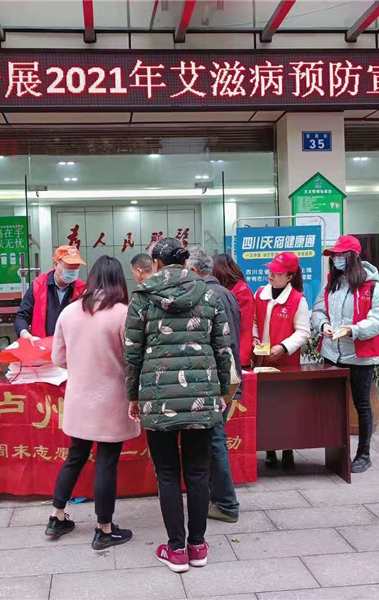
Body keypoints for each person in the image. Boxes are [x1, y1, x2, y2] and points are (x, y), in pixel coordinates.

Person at [125, 238, 232, 573]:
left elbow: (132, 354)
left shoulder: (142, 297)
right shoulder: (210, 295)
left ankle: (176, 550)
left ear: (156, 264)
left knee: (168, 475)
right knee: (199, 473)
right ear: (185, 263)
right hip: (203, 396)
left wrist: (133, 396)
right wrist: (222, 392)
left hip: (157, 399)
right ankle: (197, 546)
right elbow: (223, 348)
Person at [46, 256, 139, 550]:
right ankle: (104, 529)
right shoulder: (123, 313)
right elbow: (133, 359)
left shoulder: (70, 312)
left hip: (79, 398)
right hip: (112, 400)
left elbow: (58, 358)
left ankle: (56, 517)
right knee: (106, 462)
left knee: (75, 456)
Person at [311, 235, 379, 474]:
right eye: (333, 255)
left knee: (362, 404)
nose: (336, 259)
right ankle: (336, 451)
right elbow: (318, 310)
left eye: (340, 255)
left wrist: (353, 330)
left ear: (353, 257)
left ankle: (364, 454)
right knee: (333, 403)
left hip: (360, 355)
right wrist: (323, 325)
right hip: (332, 353)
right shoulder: (331, 284)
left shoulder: (371, 286)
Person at [188, 248, 241, 524]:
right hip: (227, 377)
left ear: (194, 271)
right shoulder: (226, 293)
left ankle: (226, 504)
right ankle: (217, 498)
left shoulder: (208, 295)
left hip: (217, 380)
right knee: (214, 440)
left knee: (215, 441)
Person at [253, 252, 312, 470]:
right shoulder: (260, 293)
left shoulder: (297, 299)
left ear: (289, 277)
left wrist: (283, 347)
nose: (271, 275)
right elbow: (254, 320)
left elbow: (303, 332)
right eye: (270, 270)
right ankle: (269, 450)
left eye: (277, 273)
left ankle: (288, 449)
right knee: (266, 407)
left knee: (286, 407)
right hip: (262, 360)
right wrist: (254, 336)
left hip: (285, 362)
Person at [14, 245, 86, 340]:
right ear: (56, 264)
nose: (73, 270)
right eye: (69, 266)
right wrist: (24, 332)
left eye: (76, 267)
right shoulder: (38, 285)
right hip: (42, 345)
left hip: (71, 346)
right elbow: (22, 316)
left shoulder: (82, 290)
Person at [213, 254, 255, 369]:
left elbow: (241, 323)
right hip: (227, 349)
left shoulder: (242, 291)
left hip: (239, 351)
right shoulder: (228, 289)